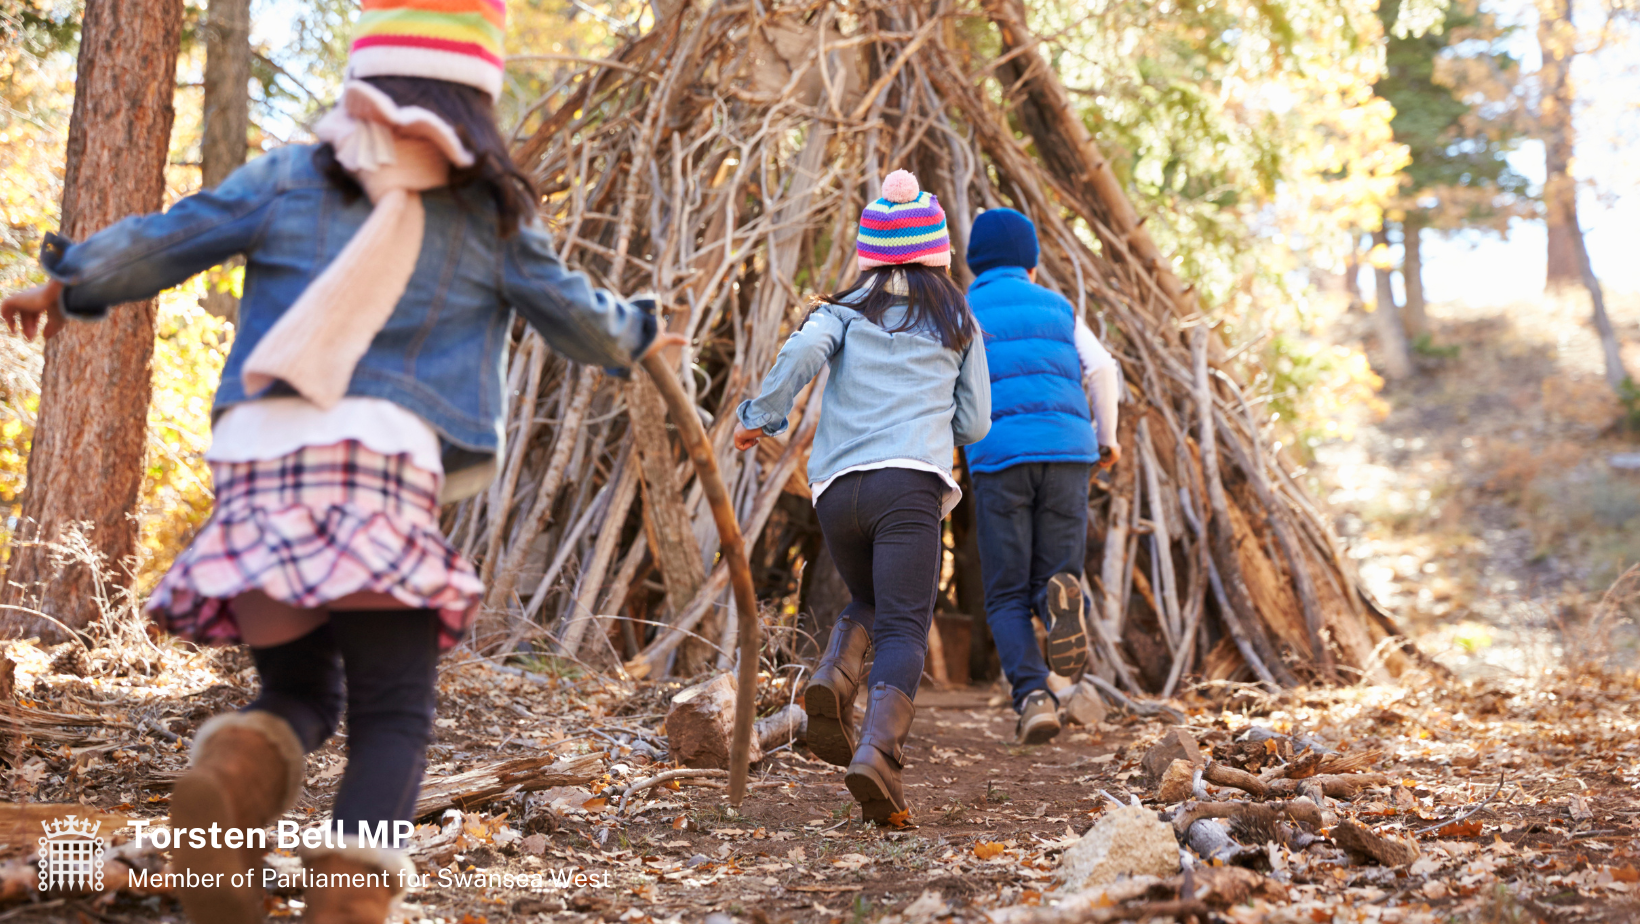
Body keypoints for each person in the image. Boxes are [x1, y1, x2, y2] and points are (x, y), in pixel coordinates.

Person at [1, 3, 677, 920]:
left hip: (260, 472)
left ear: (366, 81)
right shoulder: (488, 217)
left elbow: (173, 235)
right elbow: (577, 318)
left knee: (297, 693)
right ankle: (349, 901)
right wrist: (640, 334)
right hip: (380, 476)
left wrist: (66, 281)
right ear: (474, 98)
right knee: (392, 713)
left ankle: (232, 779)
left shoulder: (289, 177)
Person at [733, 170, 989, 823]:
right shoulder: (958, 316)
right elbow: (977, 423)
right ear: (937, 252)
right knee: (906, 620)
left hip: (836, 490)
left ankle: (833, 679)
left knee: (871, 601)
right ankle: (878, 753)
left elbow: (801, 354)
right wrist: (940, 429)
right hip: (909, 484)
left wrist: (760, 417)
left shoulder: (842, 310)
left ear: (870, 254)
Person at [962, 207, 1122, 746]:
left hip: (1000, 456)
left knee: (1005, 593)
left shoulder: (965, 310)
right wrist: (1107, 437)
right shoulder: (1058, 307)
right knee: (1055, 575)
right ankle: (1059, 602)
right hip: (1068, 453)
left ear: (974, 262)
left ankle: (1032, 697)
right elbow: (1101, 368)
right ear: (1031, 262)